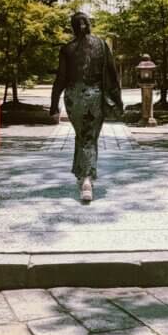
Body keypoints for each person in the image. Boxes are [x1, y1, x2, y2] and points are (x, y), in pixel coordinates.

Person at [50, 12, 123, 203]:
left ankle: (79, 172)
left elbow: (61, 78)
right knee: (90, 138)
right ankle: (87, 181)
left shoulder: (67, 49)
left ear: (73, 27)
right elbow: (112, 75)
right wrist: (118, 101)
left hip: (73, 97)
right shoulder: (101, 45)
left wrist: (53, 104)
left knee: (82, 136)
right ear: (89, 24)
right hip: (95, 96)